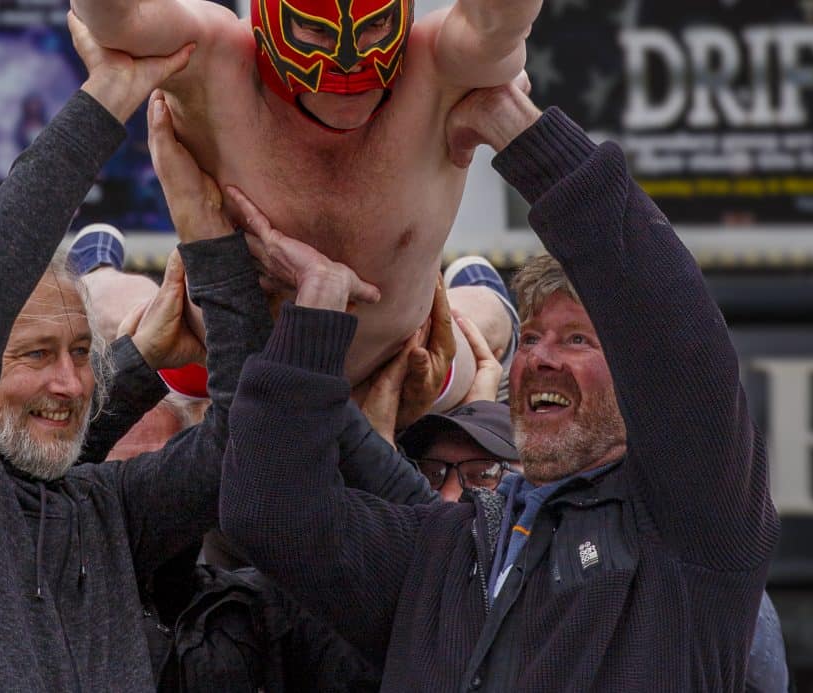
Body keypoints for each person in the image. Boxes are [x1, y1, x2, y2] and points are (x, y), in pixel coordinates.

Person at [219, 77, 781, 689]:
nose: (539, 358)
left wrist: (513, 124)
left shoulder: (689, 530)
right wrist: (318, 305)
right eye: (532, 337)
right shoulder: (442, 551)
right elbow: (268, 512)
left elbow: (677, 337)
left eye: (577, 340)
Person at [0, 27, 270, 689]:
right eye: (36, 353)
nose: (68, 382)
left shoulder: (105, 510)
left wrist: (209, 241)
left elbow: (251, 438)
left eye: (83, 353)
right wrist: (105, 102)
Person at [68, 0, 532, 410]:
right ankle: (97, 271)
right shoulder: (215, 58)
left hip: (402, 364)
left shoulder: (440, 63)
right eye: (315, 32)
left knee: (486, 322)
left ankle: (479, 286)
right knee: (110, 311)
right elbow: (119, 18)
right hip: (207, 355)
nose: (349, 61)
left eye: (374, 28)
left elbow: (500, 20)